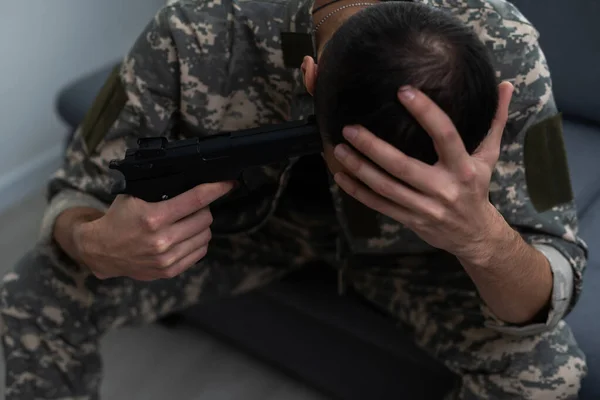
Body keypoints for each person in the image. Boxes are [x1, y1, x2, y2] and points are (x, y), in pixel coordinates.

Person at [0, 0, 588, 399]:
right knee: (34, 289)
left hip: (427, 260)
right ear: (310, 80)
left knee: (547, 375)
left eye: (409, 183)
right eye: (364, 171)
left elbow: (555, 264)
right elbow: (77, 185)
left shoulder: (507, 55)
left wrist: (480, 236)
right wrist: (91, 239)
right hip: (244, 235)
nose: (381, 196)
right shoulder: (190, 32)